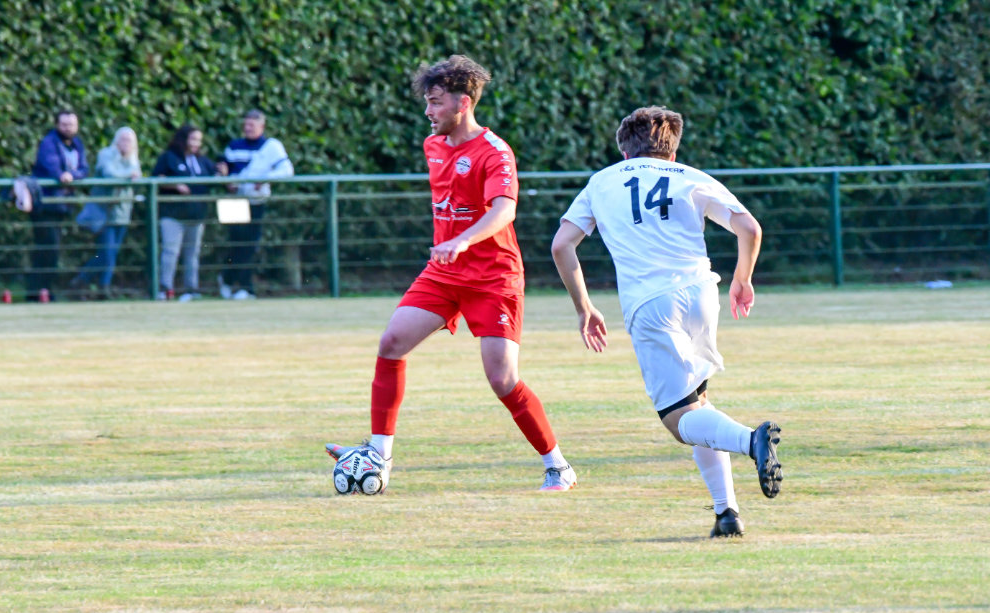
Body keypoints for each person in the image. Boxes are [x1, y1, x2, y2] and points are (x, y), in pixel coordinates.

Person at [326, 55, 576, 492]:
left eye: (436, 102)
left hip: (494, 277)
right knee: (391, 343)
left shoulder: (495, 152)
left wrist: (463, 239)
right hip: (443, 273)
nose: (428, 111)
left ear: (463, 102)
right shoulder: (434, 146)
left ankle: (558, 466)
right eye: (427, 101)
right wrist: (452, 247)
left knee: (502, 379)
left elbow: (505, 210)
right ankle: (380, 455)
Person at [551, 106, 783, 537]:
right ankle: (726, 514)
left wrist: (584, 307)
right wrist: (743, 278)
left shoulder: (602, 181)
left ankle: (751, 440)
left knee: (678, 420)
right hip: (701, 293)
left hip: (651, 304)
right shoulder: (690, 176)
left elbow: (562, 245)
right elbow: (750, 228)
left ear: (625, 151)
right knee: (698, 405)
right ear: (672, 153)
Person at [216, 109, 294, 300]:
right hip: (234, 200)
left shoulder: (271, 147)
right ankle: (229, 281)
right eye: (246, 124)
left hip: (256, 200)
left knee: (250, 245)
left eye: (252, 125)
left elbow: (286, 170)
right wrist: (226, 180)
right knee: (237, 243)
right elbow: (224, 171)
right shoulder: (234, 146)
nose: (248, 128)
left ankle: (243, 287)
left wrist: (265, 178)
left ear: (262, 126)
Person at [69, 127, 142, 299]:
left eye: (129, 140)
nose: (126, 143)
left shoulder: (133, 159)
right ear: (116, 140)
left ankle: (101, 286)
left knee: (112, 253)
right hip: (104, 213)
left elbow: (137, 178)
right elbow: (110, 174)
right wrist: (129, 175)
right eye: (123, 139)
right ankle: (84, 281)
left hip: (122, 213)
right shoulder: (106, 154)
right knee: (106, 253)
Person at [152, 124, 218, 301]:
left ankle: (191, 289)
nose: (196, 143)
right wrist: (175, 185)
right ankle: (165, 289)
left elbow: (215, 175)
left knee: (192, 254)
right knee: (170, 252)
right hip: (173, 214)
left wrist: (223, 170)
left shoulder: (202, 161)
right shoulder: (169, 157)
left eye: (199, 140)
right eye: (193, 139)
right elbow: (157, 178)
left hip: (196, 215)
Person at [28, 109, 88, 301]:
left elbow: (84, 169)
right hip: (45, 205)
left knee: (52, 249)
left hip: (62, 206)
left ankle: (43, 290)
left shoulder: (77, 144)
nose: (68, 128)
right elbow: (52, 167)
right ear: (57, 125)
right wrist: (63, 175)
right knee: (47, 249)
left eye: (71, 124)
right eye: (64, 124)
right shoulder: (48, 143)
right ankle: (39, 291)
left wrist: (72, 175)